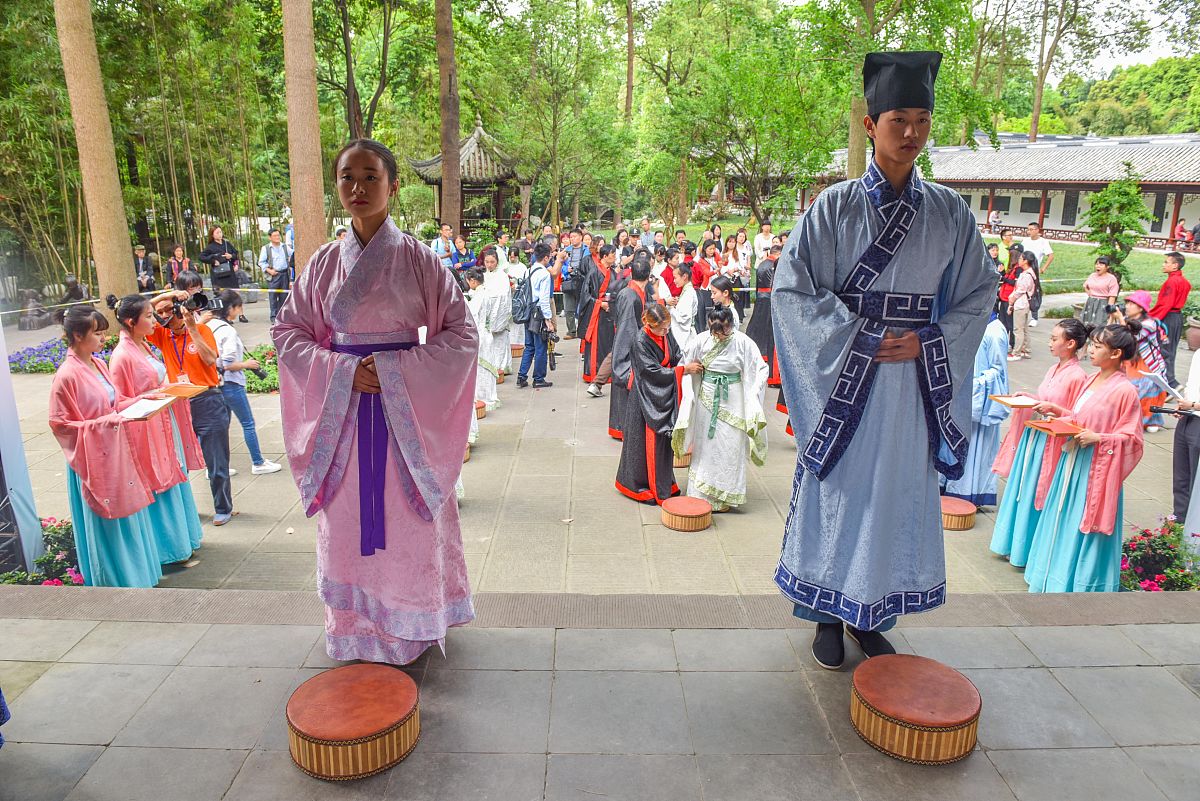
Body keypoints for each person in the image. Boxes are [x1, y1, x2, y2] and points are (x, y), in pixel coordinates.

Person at [773, 52, 995, 668]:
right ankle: (822, 610)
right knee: (839, 489)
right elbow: (792, 291)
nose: (912, 132)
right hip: (848, 381)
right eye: (899, 118)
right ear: (871, 125)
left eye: (922, 119)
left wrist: (928, 341)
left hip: (915, 384)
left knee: (894, 494)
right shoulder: (834, 207)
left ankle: (870, 611)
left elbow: (981, 293)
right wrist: (861, 339)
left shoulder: (950, 212)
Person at [273, 138, 477, 664]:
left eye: (370, 176)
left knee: (409, 524)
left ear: (393, 184)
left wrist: (391, 370)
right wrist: (343, 371)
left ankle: (413, 627)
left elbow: (461, 335)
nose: (357, 188)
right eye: (346, 177)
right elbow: (289, 332)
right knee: (348, 528)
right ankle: (355, 628)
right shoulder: (321, 265)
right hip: (342, 422)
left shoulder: (419, 261)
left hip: (403, 426)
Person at [1023, 324, 1144, 593]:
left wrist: (1100, 438)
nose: (1090, 350)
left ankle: (1080, 584)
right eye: (1091, 344)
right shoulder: (1091, 379)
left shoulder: (1125, 391)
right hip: (1074, 460)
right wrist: (1060, 415)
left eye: (1098, 346)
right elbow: (1079, 418)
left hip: (1096, 469)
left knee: (1082, 523)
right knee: (1061, 517)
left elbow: (1132, 438)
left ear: (1116, 354)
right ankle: (1051, 577)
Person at [48, 305, 160, 587]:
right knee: (107, 523)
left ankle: (140, 575)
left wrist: (146, 401)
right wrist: (103, 424)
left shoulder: (97, 363)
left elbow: (115, 402)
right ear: (77, 334)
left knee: (130, 515)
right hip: (92, 456)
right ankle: (117, 582)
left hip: (114, 448)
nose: (102, 339)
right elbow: (60, 424)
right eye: (97, 334)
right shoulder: (67, 374)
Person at [107, 293, 205, 566]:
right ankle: (168, 550)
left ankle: (184, 540)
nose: (156, 320)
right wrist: (151, 397)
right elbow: (120, 401)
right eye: (149, 316)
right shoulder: (122, 356)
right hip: (147, 427)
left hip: (163, 419)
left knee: (175, 474)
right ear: (130, 321)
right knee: (159, 482)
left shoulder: (144, 346)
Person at [989, 319, 1090, 566]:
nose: (1050, 343)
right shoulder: (1054, 369)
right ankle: (1015, 544)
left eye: (1055, 339)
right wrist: (1028, 397)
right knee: (1024, 489)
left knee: (1039, 493)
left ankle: (1030, 550)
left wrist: (1053, 409)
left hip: (1052, 443)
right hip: (1036, 437)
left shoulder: (1078, 376)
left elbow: (1077, 415)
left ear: (1071, 343)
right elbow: (1044, 399)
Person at [147, 275, 234, 525]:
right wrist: (168, 296)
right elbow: (139, 312)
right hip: (179, 402)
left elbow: (209, 360)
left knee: (216, 460)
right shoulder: (162, 335)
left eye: (167, 311)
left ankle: (223, 507)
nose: (160, 315)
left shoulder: (203, 329)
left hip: (207, 399)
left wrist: (192, 328)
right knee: (177, 459)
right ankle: (184, 512)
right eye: (159, 312)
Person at [673, 306, 768, 512]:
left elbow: (761, 368)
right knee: (705, 446)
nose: (719, 336)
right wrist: (691, 370)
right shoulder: (701, 340)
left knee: (730, 446)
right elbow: (687, 361)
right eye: (715, 331)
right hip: (707, 398)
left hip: (733, 399)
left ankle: (726, 496)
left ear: (731, 326)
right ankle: (700, 493)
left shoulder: (743, 342)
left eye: (722, 331)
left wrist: (752, 393)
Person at [615, 303, 693, 504]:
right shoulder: (640, 341)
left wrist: (684, 361)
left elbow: (674, 354)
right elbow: (650, 372)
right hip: (645, 396)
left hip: (659, 393)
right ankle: (641, 485)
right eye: (662, 328)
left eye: (668, 327)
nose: (666, 332)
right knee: (645, 444)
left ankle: (663, 483)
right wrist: (682, 371)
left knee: (661, 444)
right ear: (649, 325)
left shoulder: (665, 333)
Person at [206, 290, 283, 475]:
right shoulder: (228, 331)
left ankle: (215, 466)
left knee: (221, 426)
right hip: (232, 384)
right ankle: (258, 462)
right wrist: (247, 364)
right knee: (248, 423)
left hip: (215, 383)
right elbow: (228, 363)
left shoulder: (208, 326)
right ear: (231, 308)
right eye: (239, 307)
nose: (240, 310)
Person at [940, 315, 1009, 506]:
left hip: (978, 399)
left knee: (975, 449)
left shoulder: (994, 331)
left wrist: (974, 386)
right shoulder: (973, 324)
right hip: (963, 394)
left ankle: (968, 495)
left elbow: (999, 372)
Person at [608, 255, 653, 439]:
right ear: (648, 275)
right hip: (627, 348)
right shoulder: (629, 295)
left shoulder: (637, 292)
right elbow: (627, 329)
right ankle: (622, 428)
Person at [1114, 290, 1168, 433]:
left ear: (1141, 308)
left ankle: (1149, 421)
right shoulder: (1128, 320)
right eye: (1127, 303)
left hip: (1147, 363)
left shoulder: (1149, 323)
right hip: (1131, 362)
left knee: (1147, 391)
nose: (1128, 306)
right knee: (1132, 391)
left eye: (1132, 303)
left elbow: (1131, 337)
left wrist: (1120, 319)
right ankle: (1133, 420)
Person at [517, 242, 556, 389]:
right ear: (546, 258)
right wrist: (548, 320)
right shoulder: (544, 274)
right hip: (538, 313)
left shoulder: (529, 270)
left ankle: (521, 376)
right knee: (540, 346)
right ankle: (539, 378)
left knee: (529, 346)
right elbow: (544, 299)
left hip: (528, 311)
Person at [1149, 251, 1190, 389]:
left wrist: (1151, 318)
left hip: (1167, 319)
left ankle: (1170, 384)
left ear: (1175, 266)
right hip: (1176, 318)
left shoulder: (1172, 282)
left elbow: (1165, 304)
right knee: (1169, 349)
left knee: (1164, 350)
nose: (1163, 264)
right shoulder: (1184, 282)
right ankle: (1168, 383)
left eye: (1166, 262)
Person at [581, 244, 617, 392]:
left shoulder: (613, 272)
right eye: (612, 254)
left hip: (609, 313)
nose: (614, 257)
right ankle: (594, 374)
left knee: (608, 343)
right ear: (604, 256)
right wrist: (599, 303)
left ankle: (605, 374)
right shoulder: (594, 272)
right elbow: (585, 295)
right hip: (597, 313)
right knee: (596, 344)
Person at [746, 244, 780, 388]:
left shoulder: (762, 265)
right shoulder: (773, 265)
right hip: (770, 300)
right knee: (770, 335)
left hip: (761, 299)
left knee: (760, 330)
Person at [479, 249, 513, 380]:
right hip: (487, 313)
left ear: (497, 262)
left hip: (499, 313)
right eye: (487, 262)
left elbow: (503, 296)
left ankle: (502, 367)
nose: (489, 264)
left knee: (500, 342)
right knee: (489, 342)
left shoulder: (502, 276)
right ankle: (492, 366)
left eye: (492, 262)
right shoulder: (484, 275)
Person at [560, 228, 590, 340]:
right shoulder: (565, 251)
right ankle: (571, 330)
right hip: (569, 280)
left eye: (575, 236)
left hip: (582, 281)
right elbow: (559, 265)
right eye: (571, 237)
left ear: (581, 237)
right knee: (568, 308)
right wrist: (566, 269)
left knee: (583, 307)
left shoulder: (587, 250)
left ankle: (582, 330)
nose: (572, 239)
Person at [258, 227, 292, 325]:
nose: (277, 237)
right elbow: (261, 262)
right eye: (275, 236)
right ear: (270, 237)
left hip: (284, 274)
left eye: (278, 235)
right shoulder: (266, 248)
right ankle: (273, 316)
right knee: (273, 296)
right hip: (273, 276)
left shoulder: (284, 247)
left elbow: (293, 253)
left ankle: (282, 317)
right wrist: (269, 270)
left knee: (284, 296)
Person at [1007, 251, 1038, 361]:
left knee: (1018, 329)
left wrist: (1012, 300)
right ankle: (1026, 349)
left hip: (1021, 304)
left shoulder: (1026, 275)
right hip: (1025, 304)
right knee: (1024, 328)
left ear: (1025, 261)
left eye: (1021, 258)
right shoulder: (1031, 273)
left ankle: (1017, 352)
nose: (1019, 260)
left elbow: (1020, 290)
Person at [1021, 222, 1053, 325]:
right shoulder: (1025, 241)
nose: (1029, 231)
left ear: (1037, 230)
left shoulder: (1043, 242)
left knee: (1033, 293)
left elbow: (1051, 255)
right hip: (1023, 269)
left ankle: (1034, 317)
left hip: (1034, 270)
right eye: (1028, 229)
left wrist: (1043, 268)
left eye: (1031, 229)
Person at [199, 226, 242, 298]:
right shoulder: (210, 247)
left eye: (220, 232)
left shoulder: (227, 243)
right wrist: (213, 261)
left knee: (235, 294)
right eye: (217, 233)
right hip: (218, 275)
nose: (220, 234)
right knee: (222, 296)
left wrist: (231, 257)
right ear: (212, 235)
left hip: (230, 272)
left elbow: (236, 254)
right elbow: (201, 257)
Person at [1081, 256, 1120, 330]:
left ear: (1107, 267)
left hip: (1103, 304)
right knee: (1086, 325)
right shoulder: (1092, 275)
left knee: (1099, 326)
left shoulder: (1111, 278)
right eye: (1097, 264)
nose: (1098, 266)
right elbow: (1085, 286)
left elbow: (1112, 295)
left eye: (1101, 264)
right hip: (1090, 303)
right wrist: (1090, 294)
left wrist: (1109, 310)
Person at [669, 260, 698, 352]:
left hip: (685, 335)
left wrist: (670, 308)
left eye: (675, 278)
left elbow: (683, 317)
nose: (674, 281)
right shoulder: (687, 291)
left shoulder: (688, 293)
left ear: (684, 276)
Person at [721, 235, 748, 317]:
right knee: (726, 298)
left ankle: (739, 317)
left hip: (735, 278)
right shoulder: (722, 254)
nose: (731, 244)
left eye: (733, 242)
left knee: (737, 298)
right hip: (725, 279)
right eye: (730, 242)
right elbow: (720, 267)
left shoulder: (738, 253)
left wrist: (735, 269)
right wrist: (727, 270)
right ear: (726, 243)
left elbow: (742, 266)